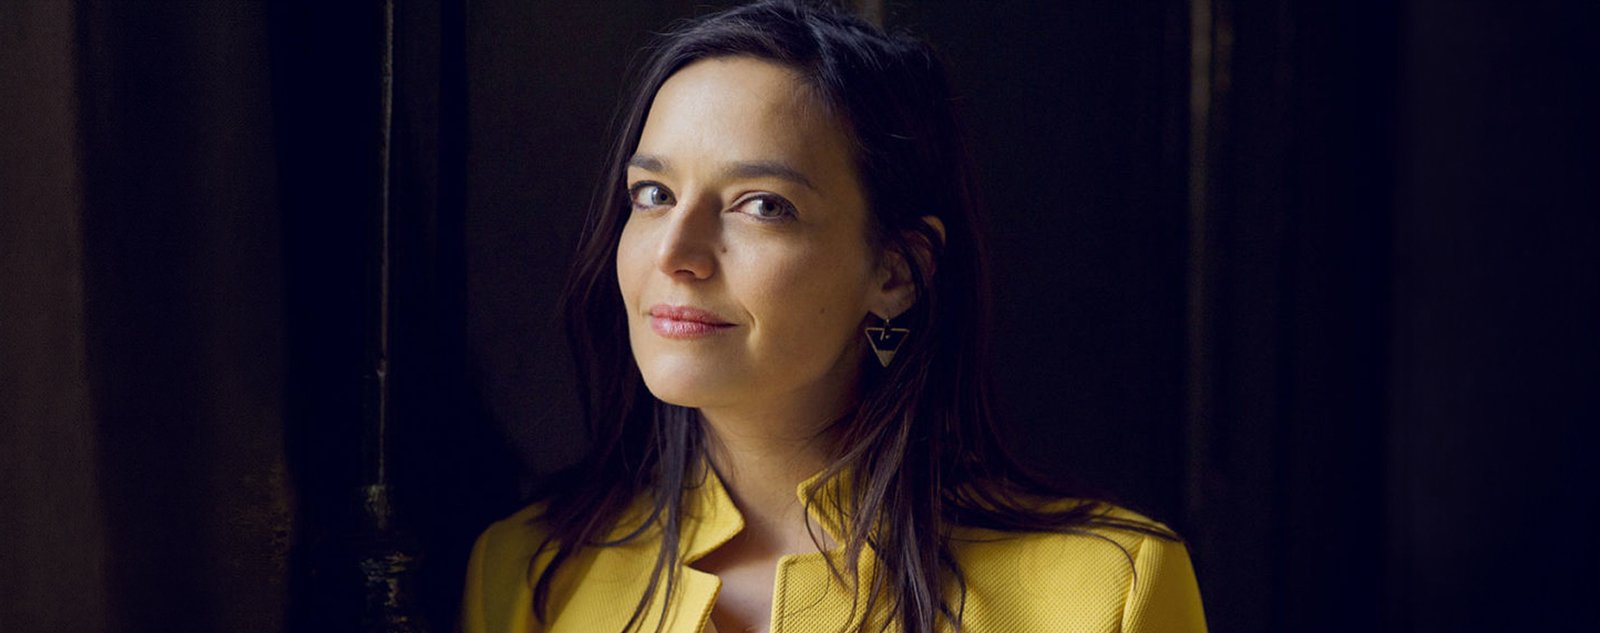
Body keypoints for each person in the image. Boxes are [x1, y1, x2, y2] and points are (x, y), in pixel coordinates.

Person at [461, 1, 1207, 631]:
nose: (675, 253)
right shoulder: (529, 574)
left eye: (762, 205)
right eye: (653, 194)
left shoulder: (1105, 592)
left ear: (896, 271)